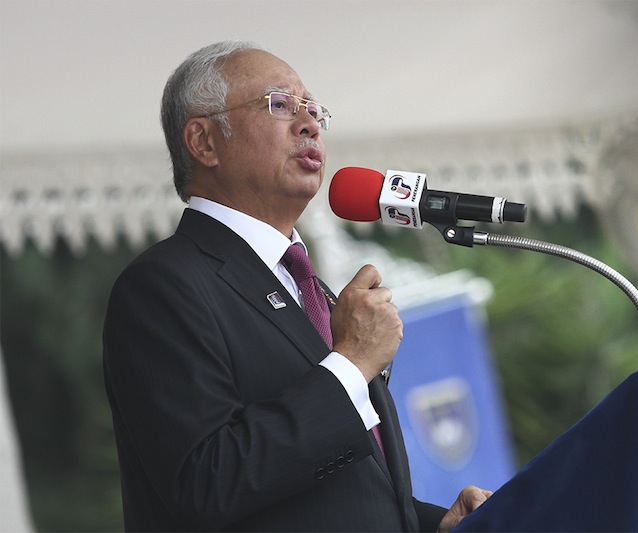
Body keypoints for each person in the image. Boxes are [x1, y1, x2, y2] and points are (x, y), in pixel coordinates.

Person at [103, 39, 491, 532]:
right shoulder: (162, 286)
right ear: (203, 142)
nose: (309, 124)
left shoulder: (307, 288)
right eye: (280, 105)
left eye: (312, 109)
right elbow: (207, 481)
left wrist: (436, 525)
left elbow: (343, 497)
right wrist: (350, 365)